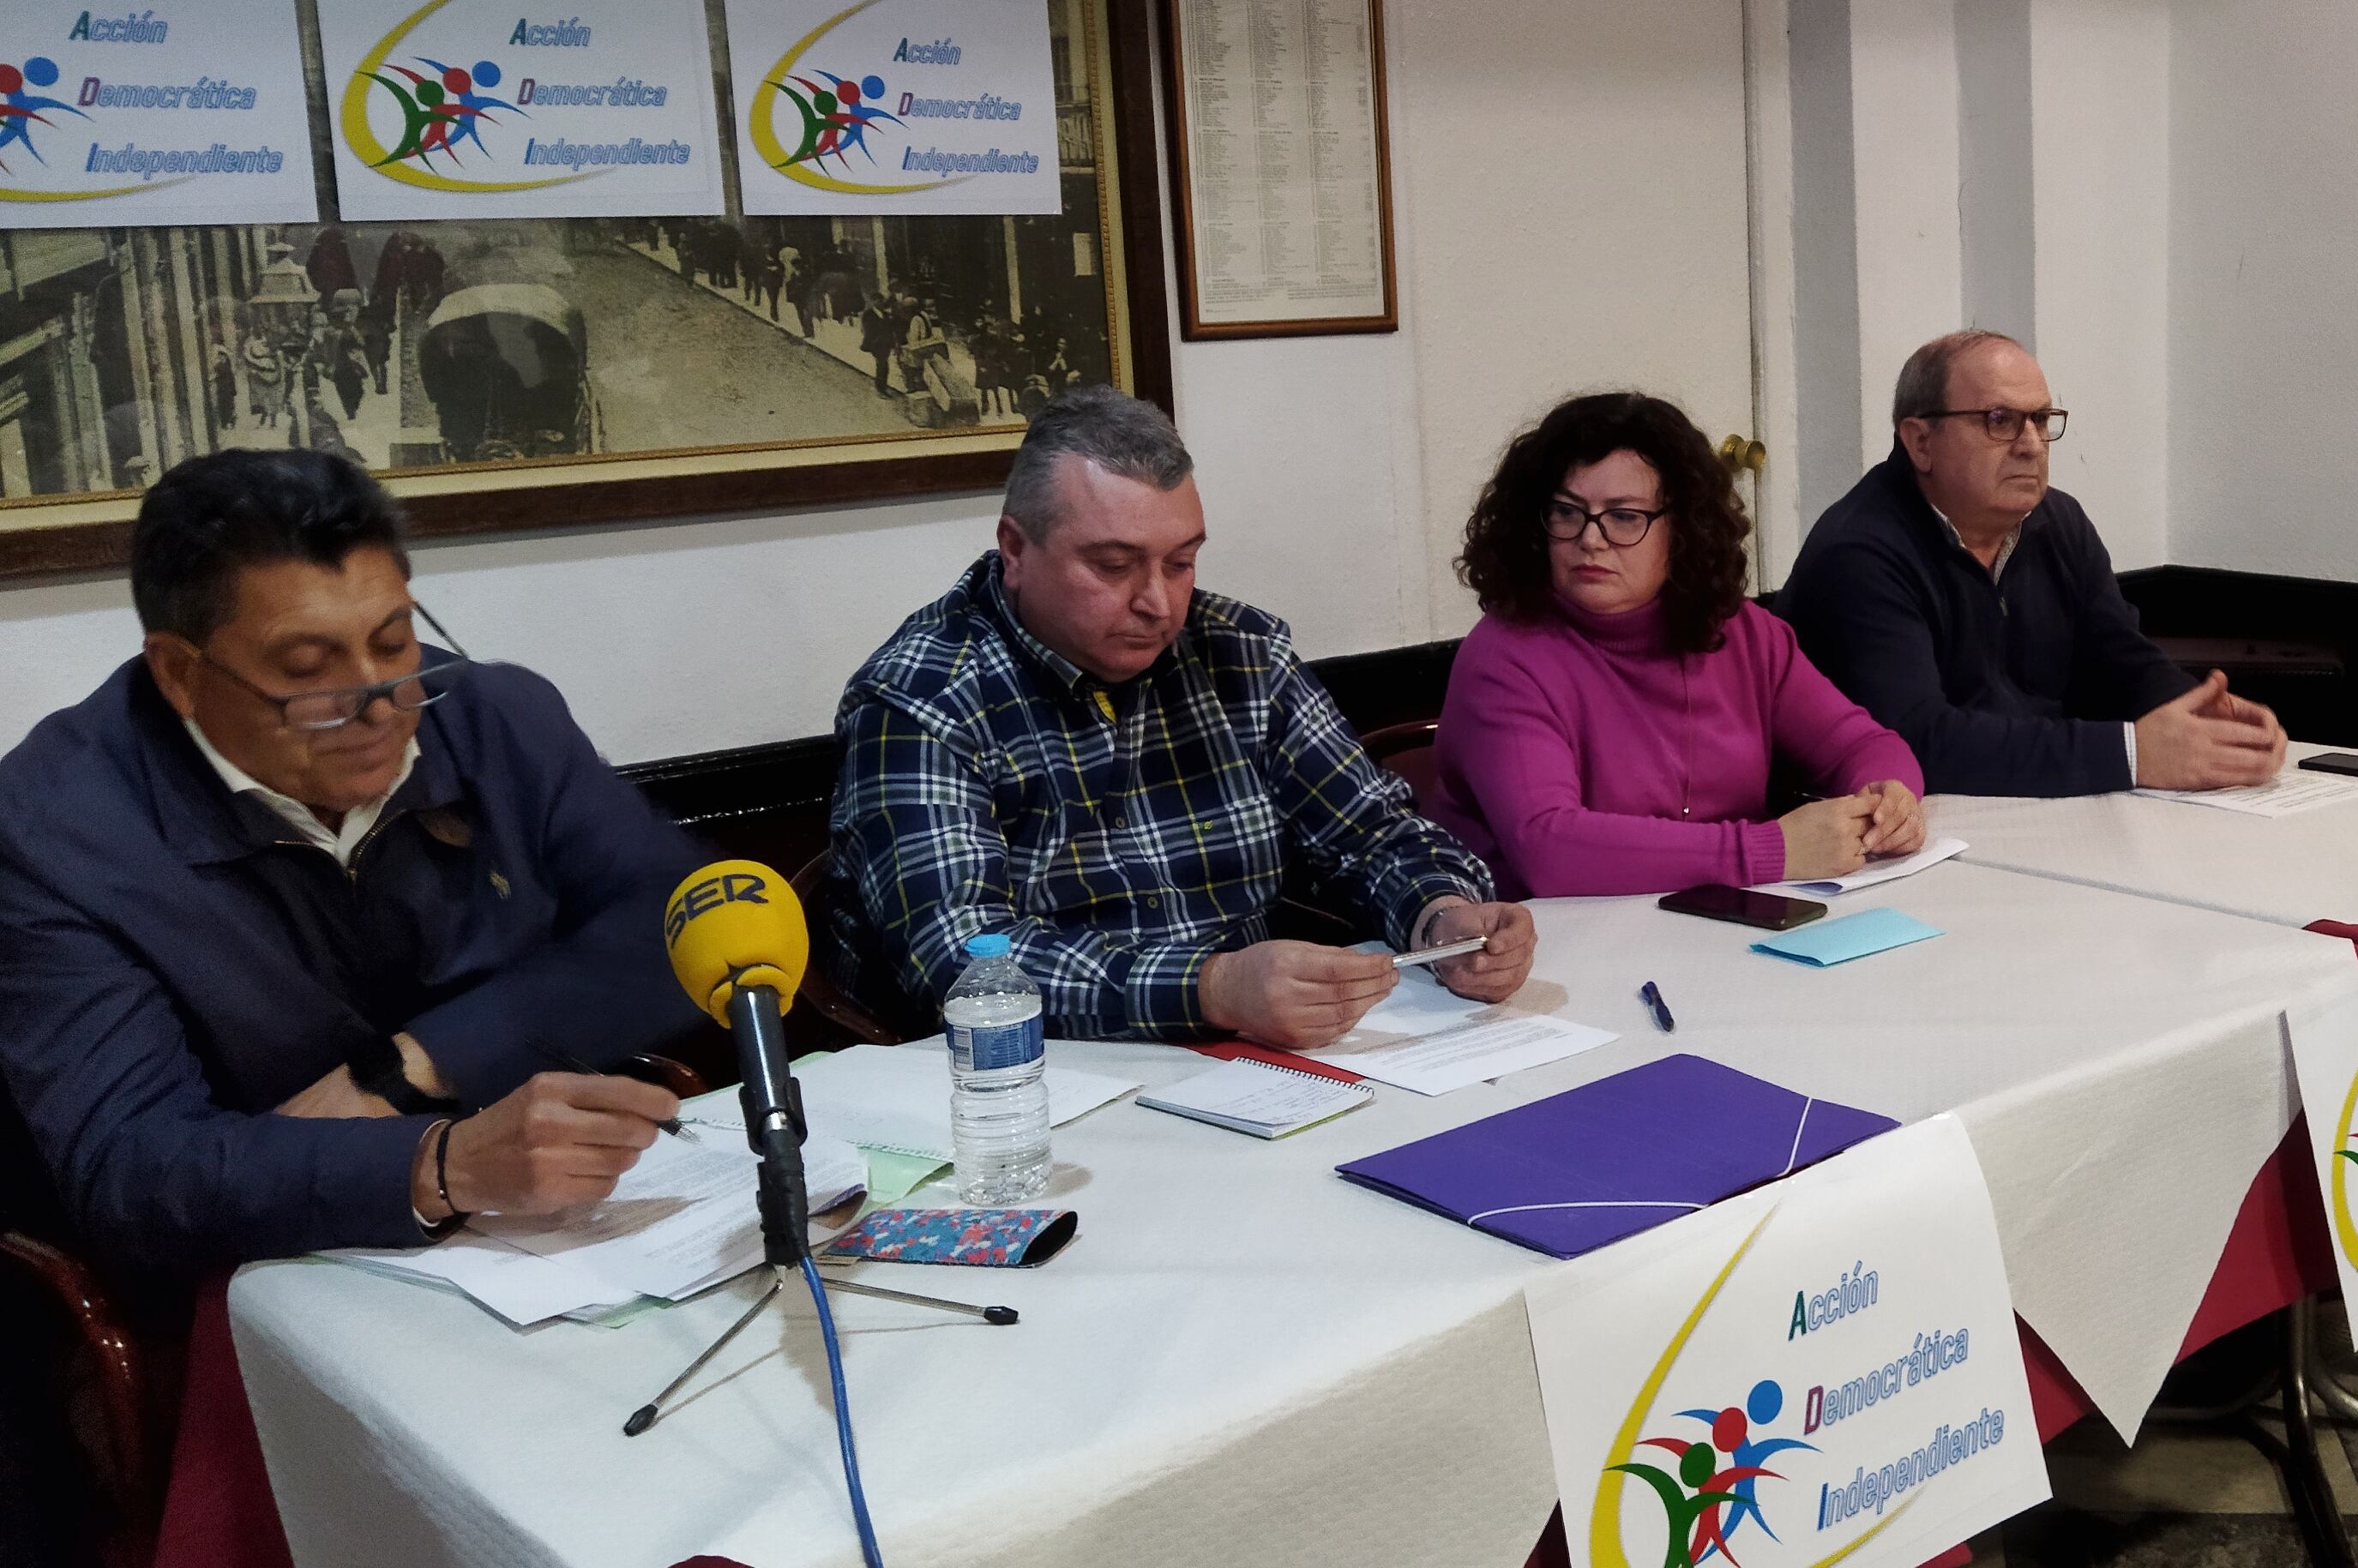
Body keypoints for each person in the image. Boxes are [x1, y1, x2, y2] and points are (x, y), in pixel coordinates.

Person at [0, 450, 703, 1281]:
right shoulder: (54, 831)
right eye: (306, 671)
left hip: (545, 1232)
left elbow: (677, 920)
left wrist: (410, 1068)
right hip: (257, 1274)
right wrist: (439, 1164)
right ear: (181, 674)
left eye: (393, 639)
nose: (378, 703)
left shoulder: (490, 717)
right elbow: (135, 1168)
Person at [828, 387, 1536, 1052]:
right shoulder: (922, 698)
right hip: (1036, 1086)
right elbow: (958, 960)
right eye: (1113, 565)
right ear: (1016, 550)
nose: (1159, 604)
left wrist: (1443, 917)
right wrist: (1211, 988)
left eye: (1181, 563)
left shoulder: (1238, 652)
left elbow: (1369, 835)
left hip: (1255, 1061)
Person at [1431, 392, 1925, 898]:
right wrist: (1770, 850)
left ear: (1684, 529)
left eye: (1624, 516)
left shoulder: (1742, 633)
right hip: (1543, 946)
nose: (1590, 539)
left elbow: (1866, 744)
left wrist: (1888, 800)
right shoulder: (1505, 657)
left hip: (1709, 924)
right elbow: (1549, 848)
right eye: (1566, 512)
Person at [1784, 329, 2289, 796]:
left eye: (2042, 420)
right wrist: (2131, 754)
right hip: (1904, 832)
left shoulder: (2058, 521)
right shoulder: (1861, 551)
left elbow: (2119, 663)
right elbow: (1915, 739)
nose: (2030, 445)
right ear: (1920, 442)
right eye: (1999, 421)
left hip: (2032, 812)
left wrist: (2208, 719)